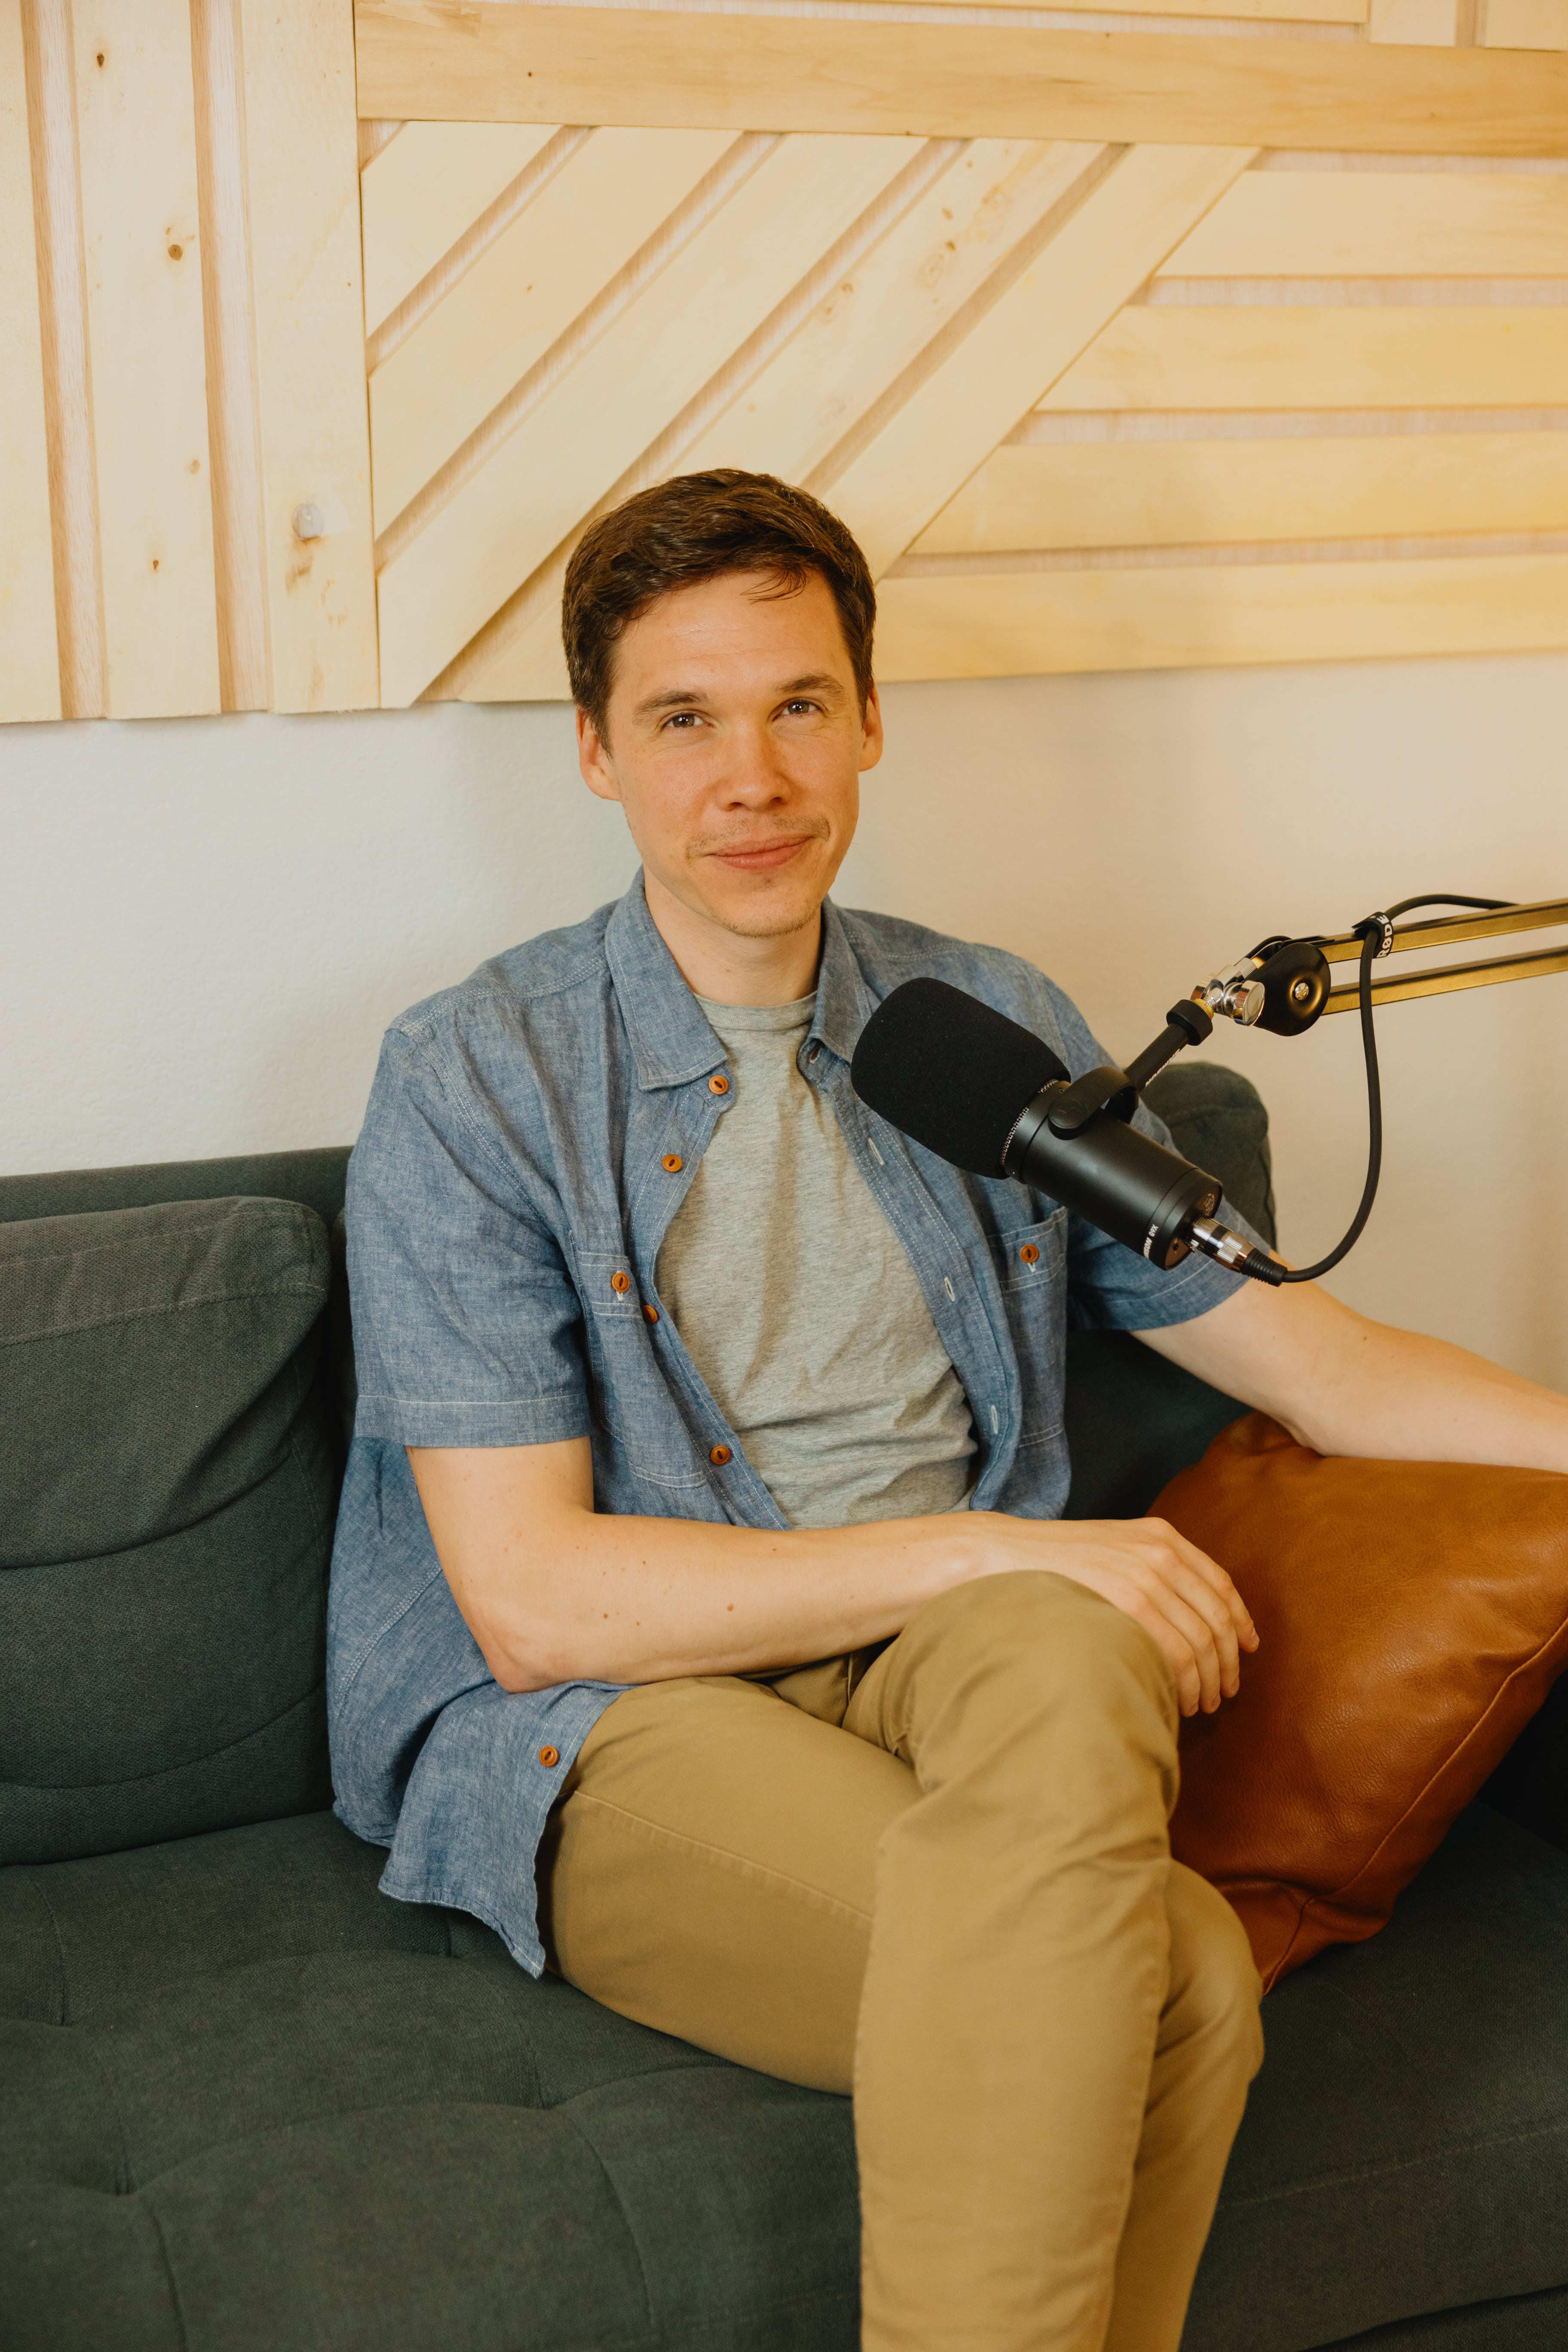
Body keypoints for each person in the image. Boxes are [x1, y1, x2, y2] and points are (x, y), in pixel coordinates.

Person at [328, 470, 1568, 2352]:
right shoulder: (474, 1079)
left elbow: (1316, 1361)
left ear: (870, 722)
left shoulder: (983, 1021)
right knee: (1181, 1978)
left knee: (1071, 1649)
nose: (753, 778)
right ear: (596, 752)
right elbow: (534, 1603)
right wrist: (998, 1550)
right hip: (617, 1709)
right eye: (684, 720)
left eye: (798, 705)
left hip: (951, 1663)